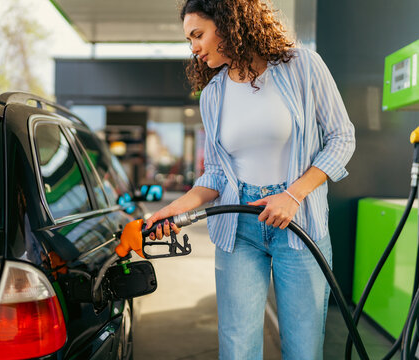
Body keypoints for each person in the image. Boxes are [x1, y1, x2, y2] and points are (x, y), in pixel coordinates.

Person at [145, 0, 355, 359]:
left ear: (229, 23)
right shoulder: (212, 95)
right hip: (238, 227)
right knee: (237, 348)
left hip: (300, 223)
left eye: (198, 35)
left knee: (303, 350)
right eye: (189, 39)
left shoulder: (301, 67)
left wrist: (293, 195)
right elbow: (213, 174)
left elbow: (342, 137)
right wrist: (171, 210)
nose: (193, 47)